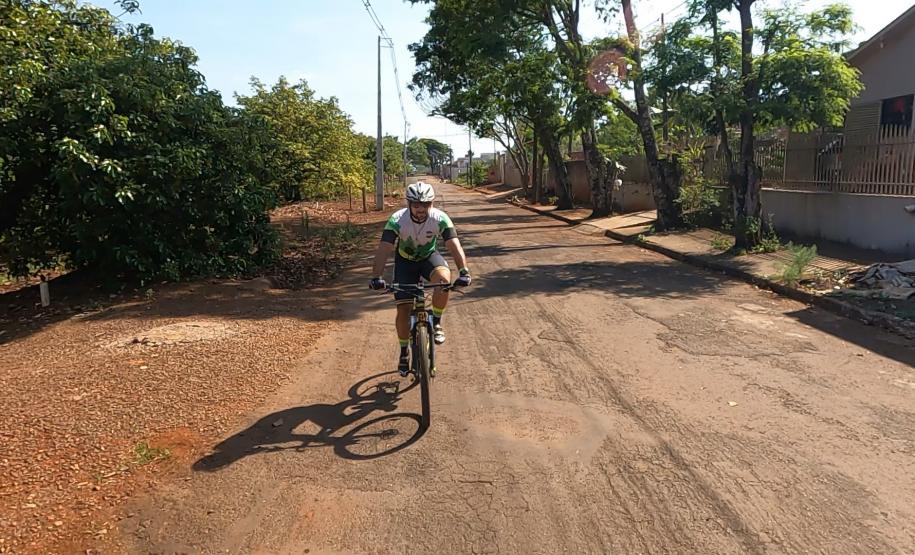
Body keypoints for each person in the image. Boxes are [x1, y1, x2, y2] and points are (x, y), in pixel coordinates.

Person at [369, 181, 471, 376]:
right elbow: (384, 249)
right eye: (416, 205)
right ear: (409, 204)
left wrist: (464, 271)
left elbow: (454, 245)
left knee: (443, 280)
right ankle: (403, 352)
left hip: (428, 258)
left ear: (431, 204)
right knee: (404, 309)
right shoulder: (397, 220)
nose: (421, 209)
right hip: (405, 263)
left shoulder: (440, 218)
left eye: (425, 205)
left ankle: (437, 322)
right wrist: (376, 276)